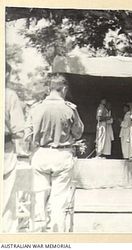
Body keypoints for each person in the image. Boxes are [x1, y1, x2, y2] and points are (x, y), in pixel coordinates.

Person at [25, 73, 84, 232]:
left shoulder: (36, 107)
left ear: (49, 88)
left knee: (39, 198)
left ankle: (38, 235)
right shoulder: (70, 109)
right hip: (62, 155)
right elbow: (78, 133)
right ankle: (57, 236)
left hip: (41, 154)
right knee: (59, 201)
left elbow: (27, 135)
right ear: (64, 89)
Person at [3, 63, 25, 232]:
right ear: (7, 74)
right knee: (6, 199)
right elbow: (18, 131)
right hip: (5, 149)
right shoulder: (9, 96)